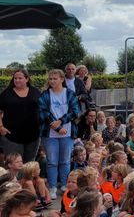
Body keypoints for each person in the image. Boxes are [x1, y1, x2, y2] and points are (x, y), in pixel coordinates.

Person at [38, 69, 81, 199]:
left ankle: (64, 185)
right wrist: (57, 127)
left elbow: (75, 111)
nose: (52, 81)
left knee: (65, 161)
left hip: (67, 133)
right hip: (50, 134)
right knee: (51, 162)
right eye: (50, 79)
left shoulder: (70, 94)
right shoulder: (45, 95)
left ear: (62, 79)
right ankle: (52, 187)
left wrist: (61, 121)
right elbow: (42, 112)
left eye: (55, 78)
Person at [0, 68, 42, 162]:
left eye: (20, 78)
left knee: (29, 166)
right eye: (15, 78)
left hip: (33, 136)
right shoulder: (6, 93)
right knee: (14, 164)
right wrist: (1, 127)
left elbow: (44, 109)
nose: (17, 80)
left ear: (27, 79)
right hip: (11, 137)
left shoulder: (35, 92)